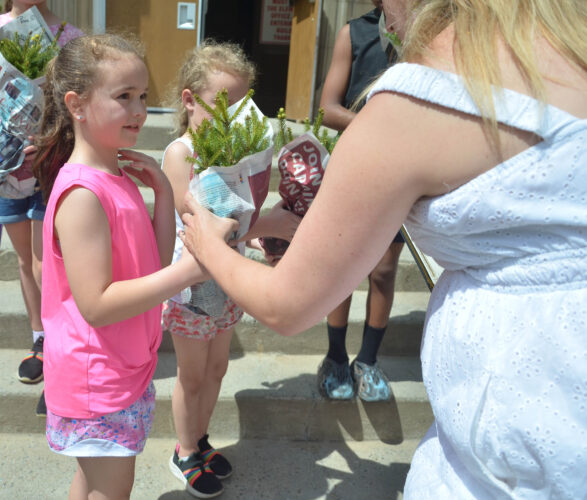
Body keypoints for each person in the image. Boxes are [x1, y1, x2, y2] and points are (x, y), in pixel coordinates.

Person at [180, 0, 587, 497]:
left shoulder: (417, 98)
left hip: (511, 444)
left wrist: (208, 242)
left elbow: (286, 304)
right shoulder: (569, 43)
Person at [31, 34, 208, 499]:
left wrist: (163, 193)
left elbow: (153, 261)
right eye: (124, 96)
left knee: (93, 482)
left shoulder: (117, 177)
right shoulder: (83, 194)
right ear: (77, 105)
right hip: (97, 379)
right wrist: (190, 271)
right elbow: (97, 304)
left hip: (120, 368)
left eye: (143, 96)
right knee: (112, 489)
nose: (139, 110)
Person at [161, 41, 301, 498]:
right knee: (192, 375)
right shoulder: (181, 153)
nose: (234, 114)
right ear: (189, 99)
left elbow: (238, 220)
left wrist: (257, 235)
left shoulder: (237, 156)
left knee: (218, 368)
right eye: (223, 101)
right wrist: (267, 224)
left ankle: (200, 439)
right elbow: (198, 229)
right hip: (192, 287)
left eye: (242, 103)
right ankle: (184, 451)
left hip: (227, 278)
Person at [0, 0, 84, 412]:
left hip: (51, 162)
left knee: (45, 262)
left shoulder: (70, 37)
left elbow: (74, 108)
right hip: (4, 166)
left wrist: (54, 144)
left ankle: (62, 353)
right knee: (24, 261)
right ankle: (40, 339)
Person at [315, 0, 402, 402]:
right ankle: (335, 357)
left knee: (383, 269)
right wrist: (375, 128)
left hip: (402, 171)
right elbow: (328, 109)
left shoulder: (433, 40)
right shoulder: (355, 33)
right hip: (355, 165)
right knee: (345, 266)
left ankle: (367, 360)